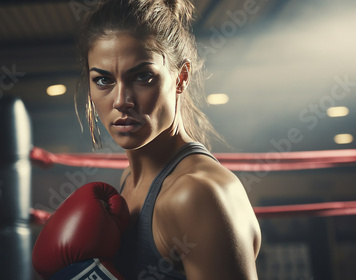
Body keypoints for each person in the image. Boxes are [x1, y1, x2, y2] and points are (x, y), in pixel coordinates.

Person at [74, 0, 262, 279]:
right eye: (103, 80)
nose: (121, 101)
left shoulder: (197, 194)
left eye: (142, 77)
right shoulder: (130, 180)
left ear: (181, 78)